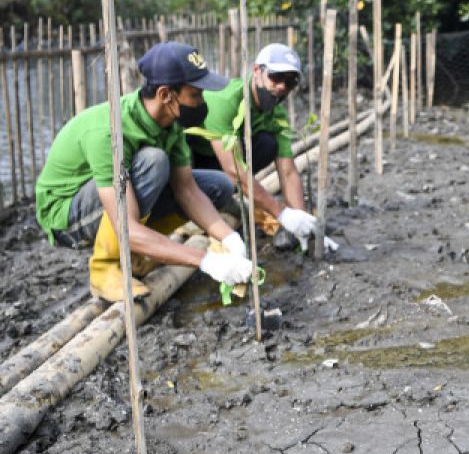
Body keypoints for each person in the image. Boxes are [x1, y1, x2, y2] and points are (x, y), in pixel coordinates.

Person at [35, 42, 253, 302]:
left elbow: (188, 190)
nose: (202, 103)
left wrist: (229, 239)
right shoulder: (110, 131)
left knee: (217, 185)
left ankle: (140, 254)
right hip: (66, 217)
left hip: (117, 204)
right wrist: (206, 260)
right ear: (165, 94)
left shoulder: (170, 123)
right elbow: (126, 227)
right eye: (195, 95)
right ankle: (105, 269)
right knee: (153, 161)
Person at [189, 43, 320, 247]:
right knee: (224, 180)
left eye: (290, 82)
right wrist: (281, 213)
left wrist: (300, 220)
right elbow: (233, 170)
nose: (282, 87)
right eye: (276, 77)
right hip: (190, 161)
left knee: (269, 144)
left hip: (223, 160)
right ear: (257, 71)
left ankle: (222, 197)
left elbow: (288, 172)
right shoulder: (226, 100)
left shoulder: (277, 115)